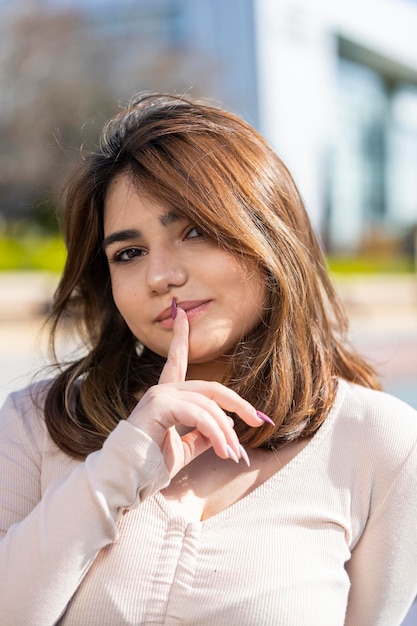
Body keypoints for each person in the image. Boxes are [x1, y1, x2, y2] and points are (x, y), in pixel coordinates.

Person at [0, 93, 416, 626]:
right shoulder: (36, 424)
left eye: (194, 231)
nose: (160, 276)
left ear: (267, 236)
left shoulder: (380, 443)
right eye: (128, 253)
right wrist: (123, 461)